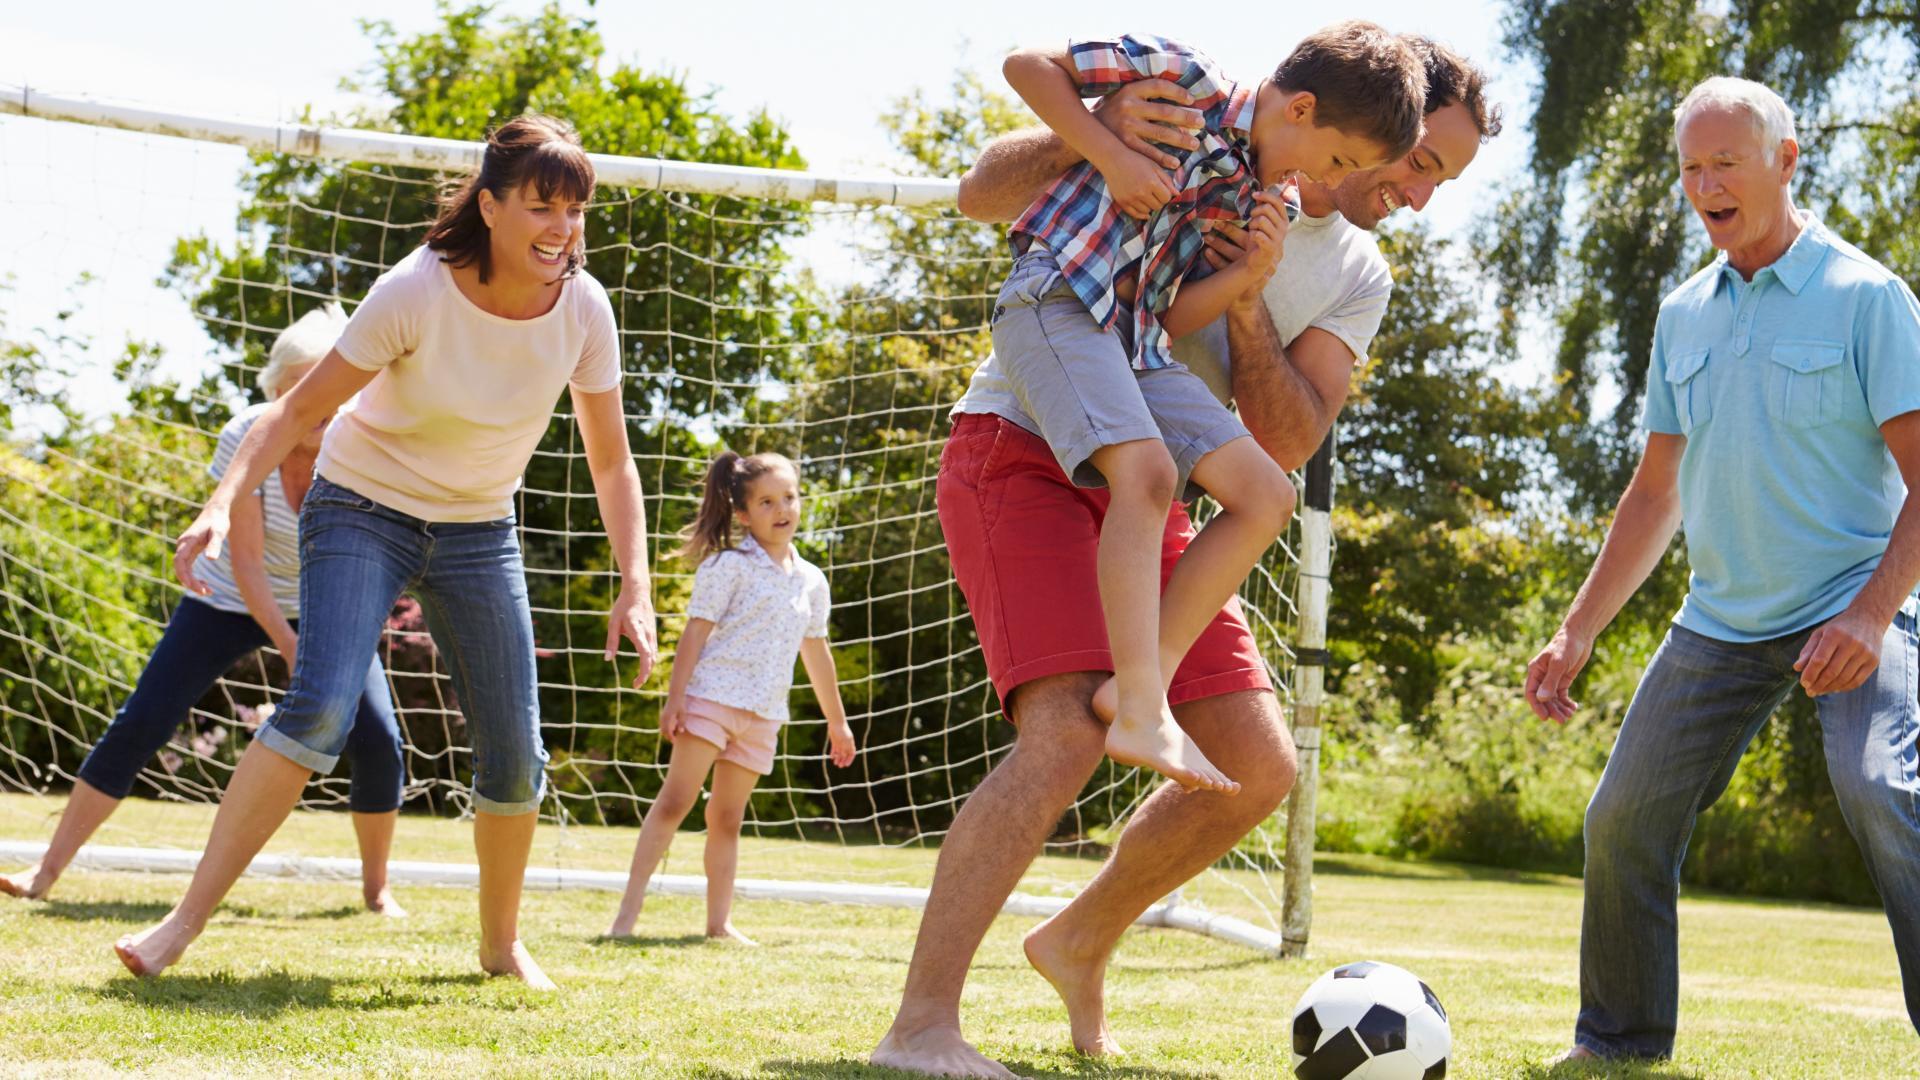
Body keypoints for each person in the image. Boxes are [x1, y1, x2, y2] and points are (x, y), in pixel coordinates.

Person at [872, 38, 1500, 1077]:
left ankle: (1075, 938)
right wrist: (1101, 136)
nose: (1417, 193)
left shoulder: (1343, 261)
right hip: (1025, 453)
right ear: (1360, 121)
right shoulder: (1213, 123)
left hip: (1158, 486)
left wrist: (1250, 296)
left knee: (1254, 769)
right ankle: (922, 1023)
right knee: (1064, 733)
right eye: (1422, 163)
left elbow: (1286, 441)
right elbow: (985, 196)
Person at [113, 113, 658, 990]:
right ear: (490, 206)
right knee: (322, 706)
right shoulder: (416, 289)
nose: (563, 229)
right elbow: (292, 414)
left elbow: (611, 457)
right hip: (363, 507)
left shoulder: (584, 310)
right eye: (542, 207)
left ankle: (501, 943)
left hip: (480, 530)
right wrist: (222, 501)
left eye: (577, 210)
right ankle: (182, 924)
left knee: (516, 750)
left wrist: (634, 582)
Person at [1526, 76, 1920, 1063]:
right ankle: (1617, 1043)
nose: (1705, 184)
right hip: (1723, 617)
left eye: (1725, 162)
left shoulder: (1866, 297)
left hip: (1854, 599)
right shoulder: (1683, 315)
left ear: (1786, 162)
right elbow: (1656, 493)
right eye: (1690, 167)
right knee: (1623, 820)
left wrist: (1872, 616)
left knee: (1884, 790)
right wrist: (1577, 630)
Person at [991, 23, 1427, 793]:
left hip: (1134, 341)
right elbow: (1026, 65)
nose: (1326, 180)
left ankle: (1137, 687)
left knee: (1267, 495)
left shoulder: (1259, 194)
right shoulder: (1185, 77)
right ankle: (1141, 712)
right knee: (1150, 475)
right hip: (1055, 299)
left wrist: (1249, 278)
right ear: (1300, 108)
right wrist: (1111, 152)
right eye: (1338, 160)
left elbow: (1171, 318)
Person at [1, 307, 407, 915]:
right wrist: (289, 645)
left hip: (323, 602)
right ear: (275, 393)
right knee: (143, 718)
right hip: (225, 598)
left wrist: (323, 638)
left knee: (378, 737)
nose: (318, 401)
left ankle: (377, 891)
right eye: (299, 386)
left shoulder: (364, 442)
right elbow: (245, 562)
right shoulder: (248, 435)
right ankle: (47, 869)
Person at [607, 451, 855, 945]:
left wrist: (838, 721)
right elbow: (695, 635)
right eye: (766, 502)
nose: (782, 509)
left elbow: (816, 651)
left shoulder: (812, 580)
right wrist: (675, 700)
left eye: (789, 497)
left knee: (727, 818)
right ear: (743, 513)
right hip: (712, 700)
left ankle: (718, 925)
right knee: (675, 802)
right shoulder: (728, 565)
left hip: (763, 713)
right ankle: (624, 920)